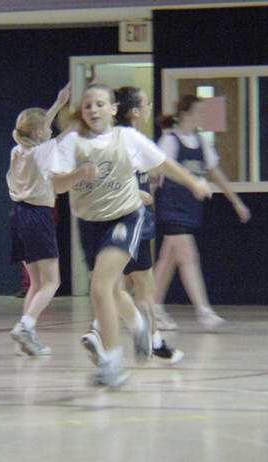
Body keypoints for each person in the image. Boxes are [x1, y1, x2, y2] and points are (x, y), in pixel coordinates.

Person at [51, 83, 211, 387]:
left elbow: (163, 163)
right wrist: (79, 174)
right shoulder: (72, 142)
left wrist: (193, 182)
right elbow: (57, 185)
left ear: (113, 109)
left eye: (100, 104)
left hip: (125, 217)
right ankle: (139, 326)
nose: (93, 110)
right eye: (87, 105)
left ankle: (112, 363)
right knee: (112, 290)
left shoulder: (127, 138)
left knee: (100, 287)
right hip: (90, 222)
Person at [80, 86, 184, 366]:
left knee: (118, 283)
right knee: (140, 283)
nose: (150, 107)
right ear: (135, 111)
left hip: (123, 216)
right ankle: (143, 339)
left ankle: (118, 334)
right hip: (130, 217)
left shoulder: (113, 137)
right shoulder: (126, 139)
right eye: (147, 103)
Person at [153, 94, 251, 331]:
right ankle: (203, 311)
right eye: (199, 111)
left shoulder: (201, 143)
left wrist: (236, 202)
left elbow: (216, 174)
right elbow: (156, 172)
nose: (203, 116)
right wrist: (145, 202)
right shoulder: (169, 141)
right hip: (171, 208)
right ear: (185, 114)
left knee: (168, 259)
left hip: (190, 209)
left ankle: (152, 308)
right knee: (189, 256)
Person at [7, 82, 71, 356]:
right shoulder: (43, 152)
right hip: (37, 215)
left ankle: (26, 337)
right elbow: (67, 134)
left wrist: (58, 103)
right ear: (38, 134)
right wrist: (83, 116)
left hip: (18, 216)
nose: (51, 129)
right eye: (47, 128)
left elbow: (40, 129)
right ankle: (25, 327)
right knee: (52, 282)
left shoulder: (18, 149)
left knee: (35, 282)